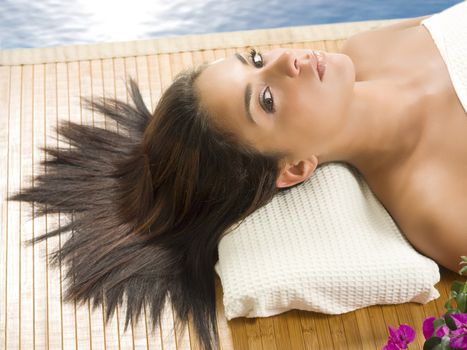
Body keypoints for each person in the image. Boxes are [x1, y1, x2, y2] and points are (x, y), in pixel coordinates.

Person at [7, 3, 467, 350]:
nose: (288, 60)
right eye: (267, 100)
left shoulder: (369, 47)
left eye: (256, 57)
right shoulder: (439, 210)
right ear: (295, 168)